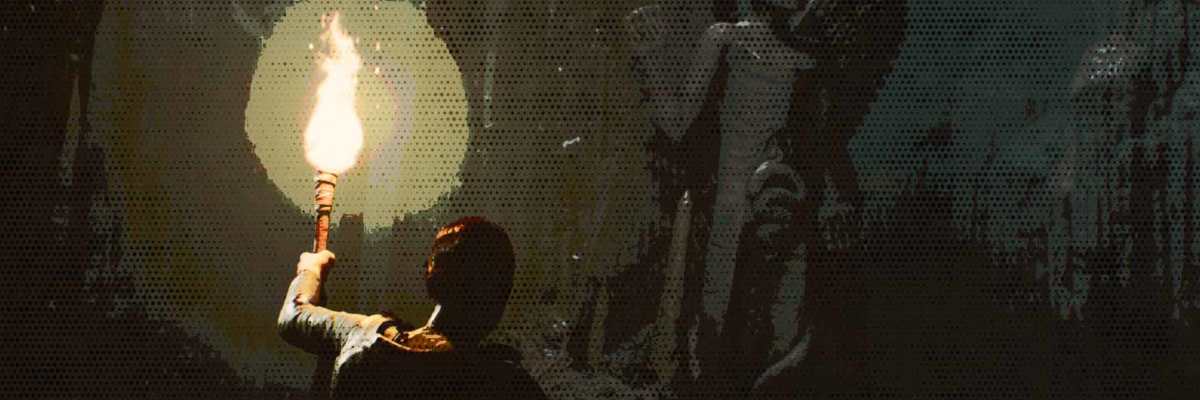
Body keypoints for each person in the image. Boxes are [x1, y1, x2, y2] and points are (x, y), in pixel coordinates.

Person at [627, 0, 818, 378]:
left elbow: (814, 150)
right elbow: (677, 122)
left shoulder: (809, 58)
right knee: (710, 338)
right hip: (722, 221)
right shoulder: (724, 39)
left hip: (776, 226)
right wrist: (650, 55)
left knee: (770, 340)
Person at [277, 217, 547, 399]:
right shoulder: (506, 386)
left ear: (429, 275)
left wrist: (311, 270)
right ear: (501, 294)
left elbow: (294, 315)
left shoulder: (365, 334)